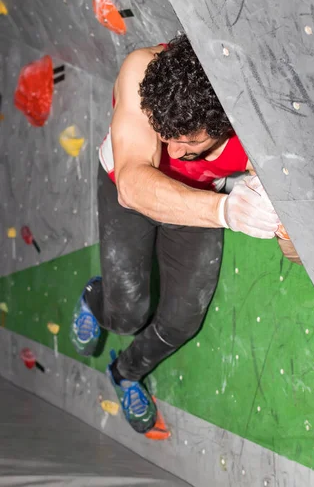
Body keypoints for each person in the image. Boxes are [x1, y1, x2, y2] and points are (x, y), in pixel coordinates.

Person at [70, 35, 301, 435]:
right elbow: (132, 185)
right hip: (125, 183)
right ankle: (96, 296)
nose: (173, 155)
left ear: (227, 119)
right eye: (164, 135)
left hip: (195, 201)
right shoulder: (142, 69)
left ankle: (125, 373)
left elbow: (295, 252)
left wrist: (283, 223)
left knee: (180, 322)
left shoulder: (260, 130)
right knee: (126, 315)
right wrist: (226, 210)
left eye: (189, 141)